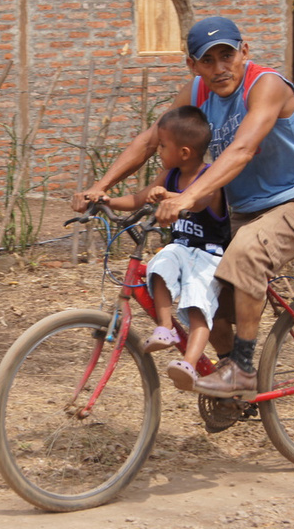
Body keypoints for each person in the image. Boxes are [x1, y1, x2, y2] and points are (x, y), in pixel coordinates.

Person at [73, 16, 294, 399]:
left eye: (227, 55)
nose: (219, 67)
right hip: (243, 208)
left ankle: (242, 370)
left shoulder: (266, 85)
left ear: (244, 51)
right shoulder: (197, 92)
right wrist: (100, 187)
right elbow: (151, 140)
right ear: (191, 65)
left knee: (245, 254)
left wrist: (188, 198)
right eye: (207, 60)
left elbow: (242, 149)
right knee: (207, 292)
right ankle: (227, 373)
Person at [102, 106, 230, 391]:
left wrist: (171, 198)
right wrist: (104, 200)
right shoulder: (169, 175)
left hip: (209, 256)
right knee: (160, 264)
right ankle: (166, 327)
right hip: (182, 250)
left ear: (184, 152)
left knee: (197, 306)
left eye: (162, 146)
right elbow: (138, 198)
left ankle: (189, 363)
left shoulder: (210, 178)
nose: (157, 151)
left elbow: (197, 201)